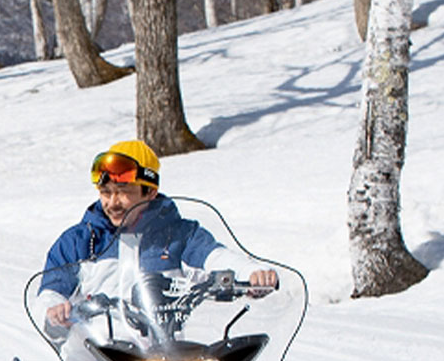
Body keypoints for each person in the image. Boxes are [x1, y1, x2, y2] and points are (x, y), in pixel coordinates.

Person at [39, 140, 278, 334]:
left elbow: (215, 256)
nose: (112, 203)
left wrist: (251, 274)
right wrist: (54, 309)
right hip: (94, 357)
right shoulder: (80, 241)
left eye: (123, 192)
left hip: (163, 356)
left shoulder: (178, 235)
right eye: (106, 193)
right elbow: (51, 291)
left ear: (150, 192)